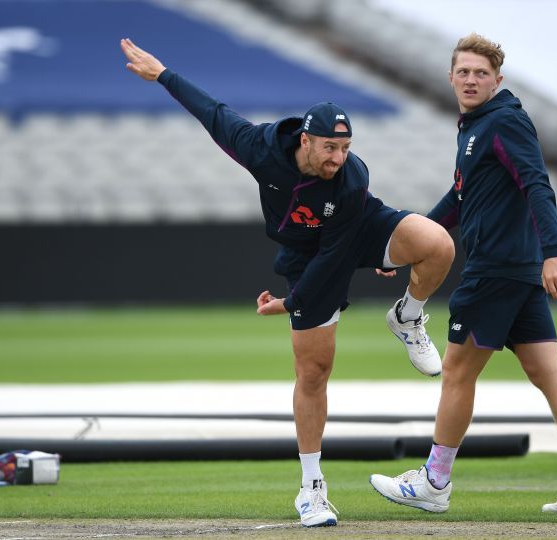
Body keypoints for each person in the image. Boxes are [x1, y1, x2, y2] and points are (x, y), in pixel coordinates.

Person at [120, 38, 455, 527]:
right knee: (315, 371)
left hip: (356, 225)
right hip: (305, 253)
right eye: (329, 147)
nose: (337, 157)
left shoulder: (351, 179)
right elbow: (213, 113)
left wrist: (289, 303)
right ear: (305, 140)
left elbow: (338, 255)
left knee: (438, 244)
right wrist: (163, 74)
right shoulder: (262, 147)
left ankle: (406, 317)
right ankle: (312, 490)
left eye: (344, 148)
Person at [369, 33, 557, 514]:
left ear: (497, 80)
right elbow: (459, 198)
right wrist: (400, 248)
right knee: (548, 372)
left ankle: (434, 483)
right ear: (451, 77)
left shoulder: (503, 121)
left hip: (496, 269)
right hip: (515, 271)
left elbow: (537, 183)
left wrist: (555, 252)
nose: (471, 79)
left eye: (481, 73)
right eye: (463, 71)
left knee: (457, 372)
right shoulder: (476, 126)